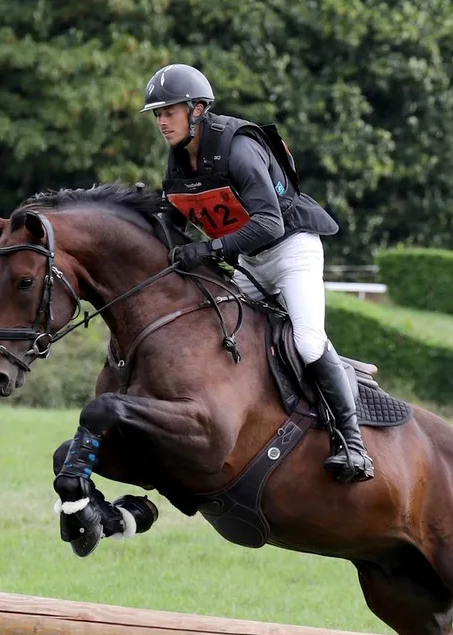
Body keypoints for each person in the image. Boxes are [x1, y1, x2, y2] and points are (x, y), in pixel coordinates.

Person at [141, 64, 374, 483]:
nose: (161, 121)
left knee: (306, 339)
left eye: (168, 111)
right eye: (157, 113)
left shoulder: (238, 148)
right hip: (249, 260)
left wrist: (209, 248)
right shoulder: (180, 159)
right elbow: (171, 213)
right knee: (221, 330)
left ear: (197, 110)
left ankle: (352, 443)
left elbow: (270, 224)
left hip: (291, 251)